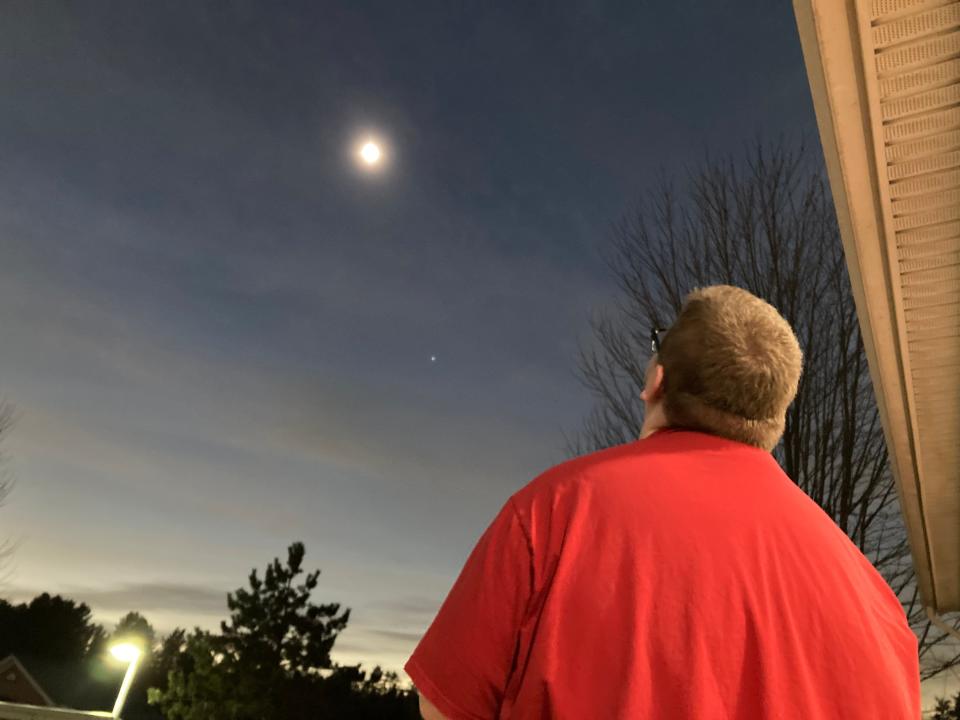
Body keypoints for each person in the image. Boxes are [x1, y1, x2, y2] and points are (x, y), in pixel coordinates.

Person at [405, 285, 920, 719]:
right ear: (775, 418)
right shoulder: (878, 605)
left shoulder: (551, 514)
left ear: (657, 380)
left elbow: (443, 705)